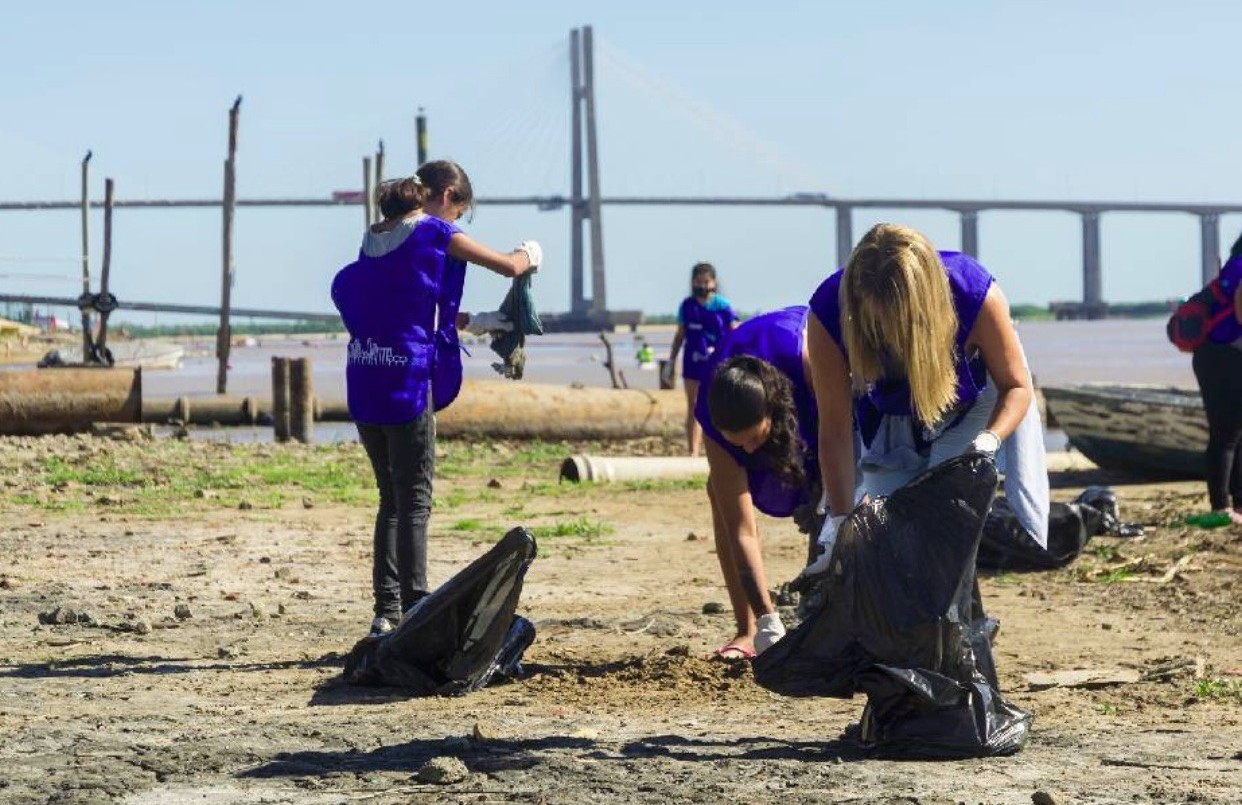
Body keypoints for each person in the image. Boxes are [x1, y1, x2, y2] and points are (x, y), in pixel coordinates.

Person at [331, 161, 542, 637]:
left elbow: (410, 303)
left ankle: (386, 611)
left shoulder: (372, 239)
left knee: (390, 500)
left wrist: (479, 320)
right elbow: (508, 266)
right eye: (459, 213)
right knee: (416, 501)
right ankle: (417, 606)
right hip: (406, 383)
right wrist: (530, 255)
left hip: (365, 378)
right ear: (446, 195)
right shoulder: (433, 232)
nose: (456, 224)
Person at [803, 223, 1049, 573]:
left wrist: (988, 441)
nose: (891, 335)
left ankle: (953, 617)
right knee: (887, 527)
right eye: (877, 323)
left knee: (941, 512)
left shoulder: (974, 294)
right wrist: (840, 521)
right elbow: (836, 429)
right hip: (890, 409)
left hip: (970, 400)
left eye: (902, 320)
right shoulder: (828, 312)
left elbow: (1016, 385)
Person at [696, 305, 841, 659]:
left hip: (808, 384)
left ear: (773, 415)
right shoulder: (715, 419)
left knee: (835, 502)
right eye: (738, 444)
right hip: (743, 389)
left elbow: (843, 436)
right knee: (720, 493)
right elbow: (742, 531)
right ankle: (745, 630)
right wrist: (766, 619)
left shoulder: (808, 363)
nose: (747, 449)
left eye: (753, 441)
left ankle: (843, 620)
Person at [1191, 231, 1242, 524]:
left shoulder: (1234, 265)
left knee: (1235, 433)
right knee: (1226, 434)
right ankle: (1220, 507)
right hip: (1224, 357)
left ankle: (1236, 505)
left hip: (1215, 356)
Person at [668, 262, 740, 456]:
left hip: (718, 362)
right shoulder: (687, 306)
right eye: (698, 282)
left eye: (706, 282)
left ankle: (721, 450)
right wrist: (671, 361)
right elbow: (680, 335)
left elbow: (736, 332)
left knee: (718, 405)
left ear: (713, 282)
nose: (702, 286)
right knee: (693, 405)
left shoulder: (723, 306)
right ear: (692, 283)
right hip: (692, 360)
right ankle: (693, 451)